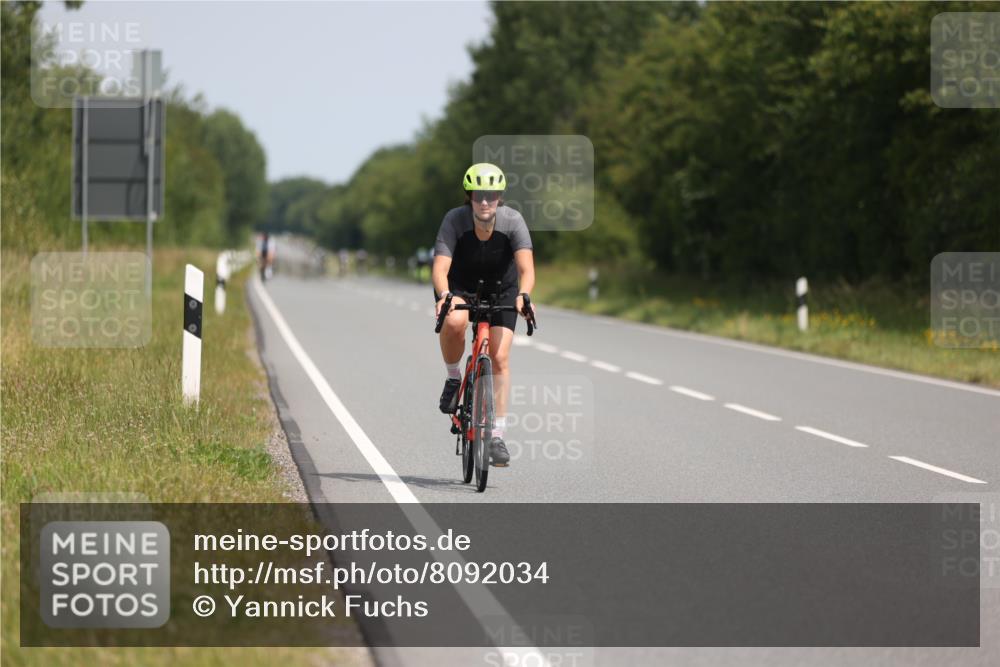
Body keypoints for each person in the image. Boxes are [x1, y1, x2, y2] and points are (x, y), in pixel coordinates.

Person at [433, 163, 535, 466]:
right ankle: (454, 378)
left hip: (503, 289)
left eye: (491, 194)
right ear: (470, 196)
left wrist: (524, 295)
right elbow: (440, 268)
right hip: (460, 287)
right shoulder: (454, 220)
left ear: (500, 196)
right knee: (454, 321)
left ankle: (497, 436)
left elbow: (526, 269)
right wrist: (444, 295)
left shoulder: (513, 221)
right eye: (479, 195)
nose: (486, 201)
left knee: (500, 358)